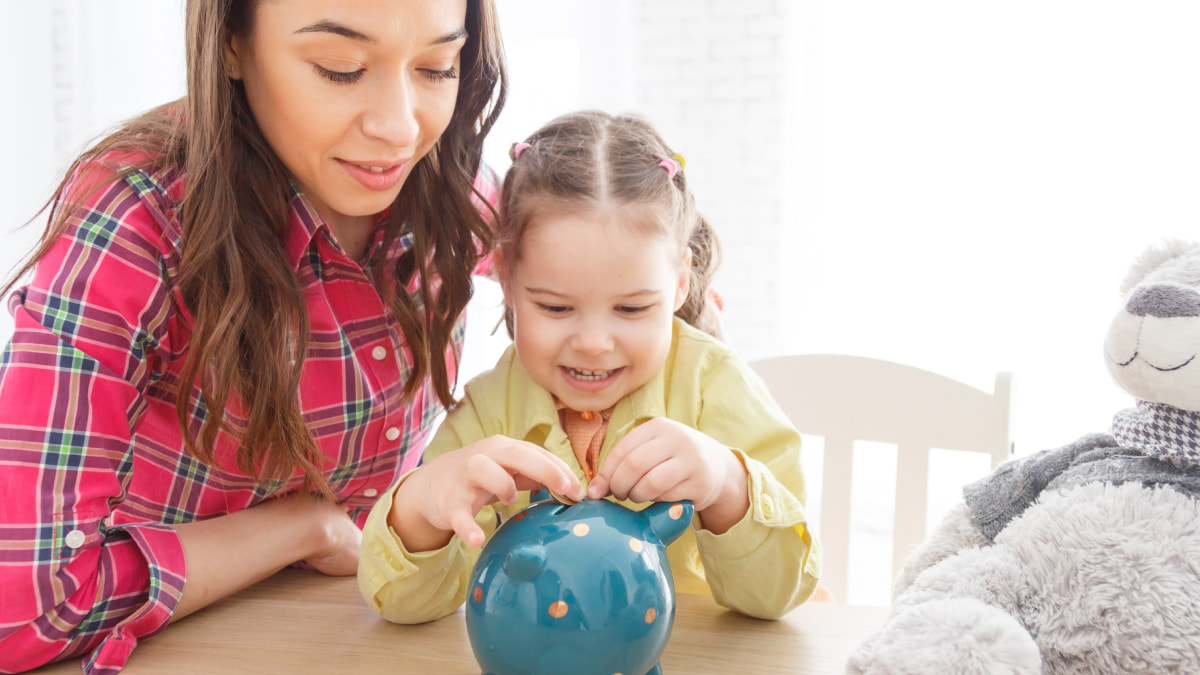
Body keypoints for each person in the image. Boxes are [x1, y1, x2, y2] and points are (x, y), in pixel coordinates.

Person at [0, 0, 506, 672]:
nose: (399, 127)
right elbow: (23, 608)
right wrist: (305, 526)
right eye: (341, 69)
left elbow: (617, 274)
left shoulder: (450, 188)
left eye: (437, 68)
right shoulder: (138, 222)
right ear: (232, 45)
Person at [358, 110, 822, 626]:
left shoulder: (715, 386)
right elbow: (402, 607)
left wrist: (726, 485)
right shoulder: (489, 413)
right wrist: (421, 507)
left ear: (680, 283)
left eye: (631, 309)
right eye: (556, 308)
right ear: (507, 280)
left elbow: (781, 594)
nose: (595, 344)